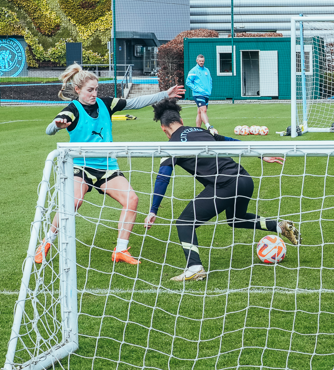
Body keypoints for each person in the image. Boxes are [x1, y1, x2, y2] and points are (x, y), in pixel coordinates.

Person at [36, 63, 185, 265]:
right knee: (73, 202)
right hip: (80, 167)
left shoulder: (106, 104)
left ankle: (121, 250)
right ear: (78, 90)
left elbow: (136, 102)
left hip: (107, 167)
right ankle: (46, 243)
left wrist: (164, 94)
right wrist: (57, 124)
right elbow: (50, 129)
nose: (94, 93)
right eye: (90, 90)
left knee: (131, 199)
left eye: (96, 89)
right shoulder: (73, 110)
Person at [144, 99, 301, 282]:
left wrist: (153, 209)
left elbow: (163, 177)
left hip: (225, 186)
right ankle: (279, 227)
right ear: (181, 120)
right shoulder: (201, 130)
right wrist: (261, 154)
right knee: (236, 219)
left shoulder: (172, 145)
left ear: (164, 129)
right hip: (244, 179)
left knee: (184, 222)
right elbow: (232, 142)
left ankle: (194, 268)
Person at [185, 54, 216, 134]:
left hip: (206, 94)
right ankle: (209, 127)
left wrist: (209, 89)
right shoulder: (193, 71)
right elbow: (188, 82)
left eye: (202, 61)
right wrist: (197, 89)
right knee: (204, 110)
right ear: (197, 61)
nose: (201, 62)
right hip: (198, 94)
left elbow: (210, 81)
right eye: (200, 61)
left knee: (200, 112)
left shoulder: (207, 70)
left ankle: (197, 130)